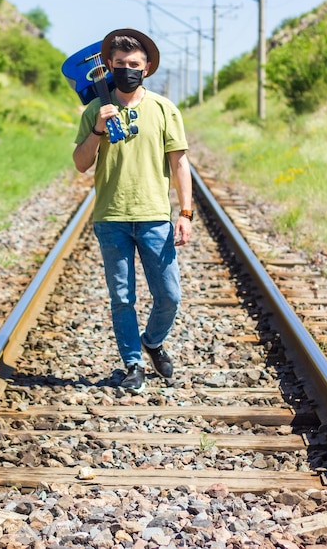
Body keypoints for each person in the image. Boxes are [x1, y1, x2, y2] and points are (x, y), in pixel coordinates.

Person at [73, 27, 193, 393]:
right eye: (120, 63)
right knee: (122, 297)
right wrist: (97, 128)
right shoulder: (95, 108)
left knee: (170, 295)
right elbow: (80, 163)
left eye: (134, 64)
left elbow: (179, 163)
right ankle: (133, 363)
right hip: (111, 218)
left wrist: (185, 213)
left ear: (147, 67)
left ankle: (152, 341)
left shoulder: (163, 109)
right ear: (108, 65)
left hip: (155, 215)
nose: (127, 69)